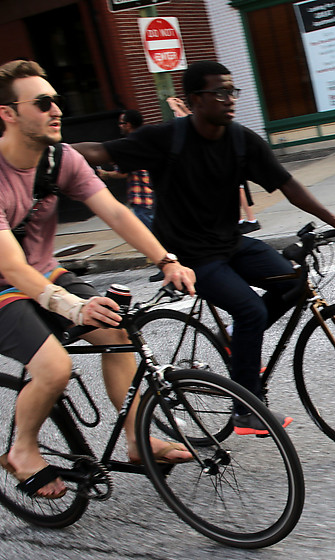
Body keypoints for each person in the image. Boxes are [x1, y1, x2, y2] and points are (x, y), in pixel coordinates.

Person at [76, 61, 335, 436]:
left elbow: (287, 183)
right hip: (187, 257)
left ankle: (239, 343)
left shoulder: (241, 140)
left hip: (231, 243)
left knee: (295, 283)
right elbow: (101, 150)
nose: (230, 100)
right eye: (220, 92)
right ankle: (245, 408)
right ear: (194, 100)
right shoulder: (167, 140)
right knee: (251, 310)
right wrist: (51, 152)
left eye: (232, 91)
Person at [0, 60, 196, 499]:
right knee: (54, 368)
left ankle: (136, 438)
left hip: (47, 273)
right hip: (2, 288)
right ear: (8, 114)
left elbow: (116, 212)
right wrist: (73, 307)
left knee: (119, 329)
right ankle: (22, 450)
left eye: (58, 101)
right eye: (43, 103)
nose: (57, 111)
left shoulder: (60, 159)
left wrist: (166, 259)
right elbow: (11, 268)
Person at [167, 96, 260, 233]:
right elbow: (191, 118)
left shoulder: (213, 120)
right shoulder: (209, 118)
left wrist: (176, 108)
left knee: (237, 190)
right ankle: (241, 221)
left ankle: (250, 220)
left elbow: (190, 121)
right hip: (225, 157)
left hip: (226, 157)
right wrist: (181, 107)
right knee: (234, 190)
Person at [96, 109, 155, 229]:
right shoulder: (147, 139)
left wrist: (107, 174)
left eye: (121, 123)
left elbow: (123, 173)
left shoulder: (130, 144)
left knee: (151, 235)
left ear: (128, 125)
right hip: (153, 194)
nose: (120, 126)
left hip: (141, 196)